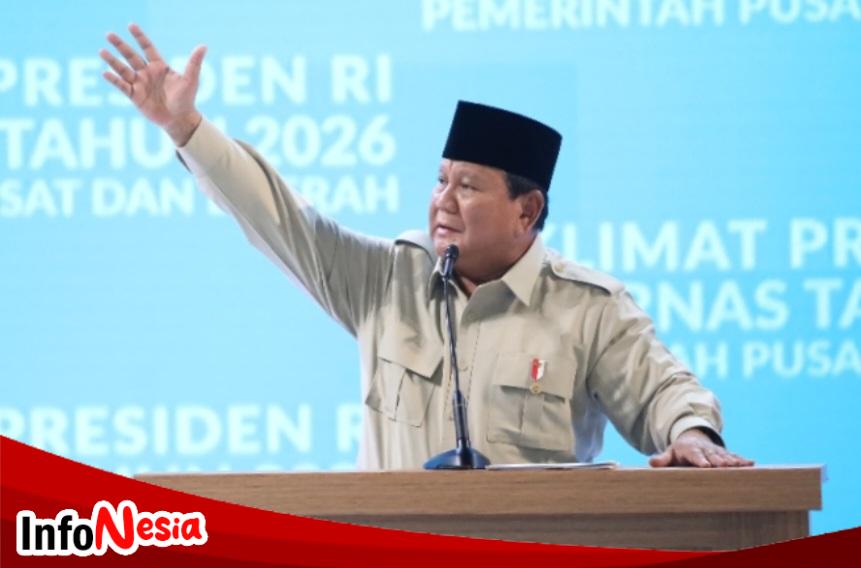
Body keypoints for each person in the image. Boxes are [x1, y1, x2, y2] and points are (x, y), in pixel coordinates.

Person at [100, 24, 753, 470]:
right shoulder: (386, 279)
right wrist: (186, 127)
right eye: (440, 180)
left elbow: (664, 391)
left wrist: (691, 434)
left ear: (527, 210)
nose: (442, 200)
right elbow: (279, 217)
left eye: (467, 186)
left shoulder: (588, 308)